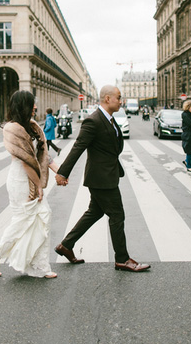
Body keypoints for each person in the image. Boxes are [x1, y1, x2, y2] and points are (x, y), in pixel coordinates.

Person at [54, 85, 151, 273]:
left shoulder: (110, 119)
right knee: (117, 215)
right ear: (108, 99)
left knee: (95, 212)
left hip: (106, 175)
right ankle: (122, 259)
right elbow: (78, 147)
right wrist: (63, 173)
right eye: (119, 97)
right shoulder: (93, 121)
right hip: (101, 179)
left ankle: (66, 245)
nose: (121, 101)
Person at [0, 91, 60, 279]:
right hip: (20, 180)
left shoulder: (32, 127)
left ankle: (39, 266)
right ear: (23, 105)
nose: (35, 107)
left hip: (31, 179)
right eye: (32, 104)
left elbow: (43, 156)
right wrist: (39, 186)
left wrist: (60, 171)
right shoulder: (12, 129)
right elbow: (26, 161)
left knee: (41, 218)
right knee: (25, 220)